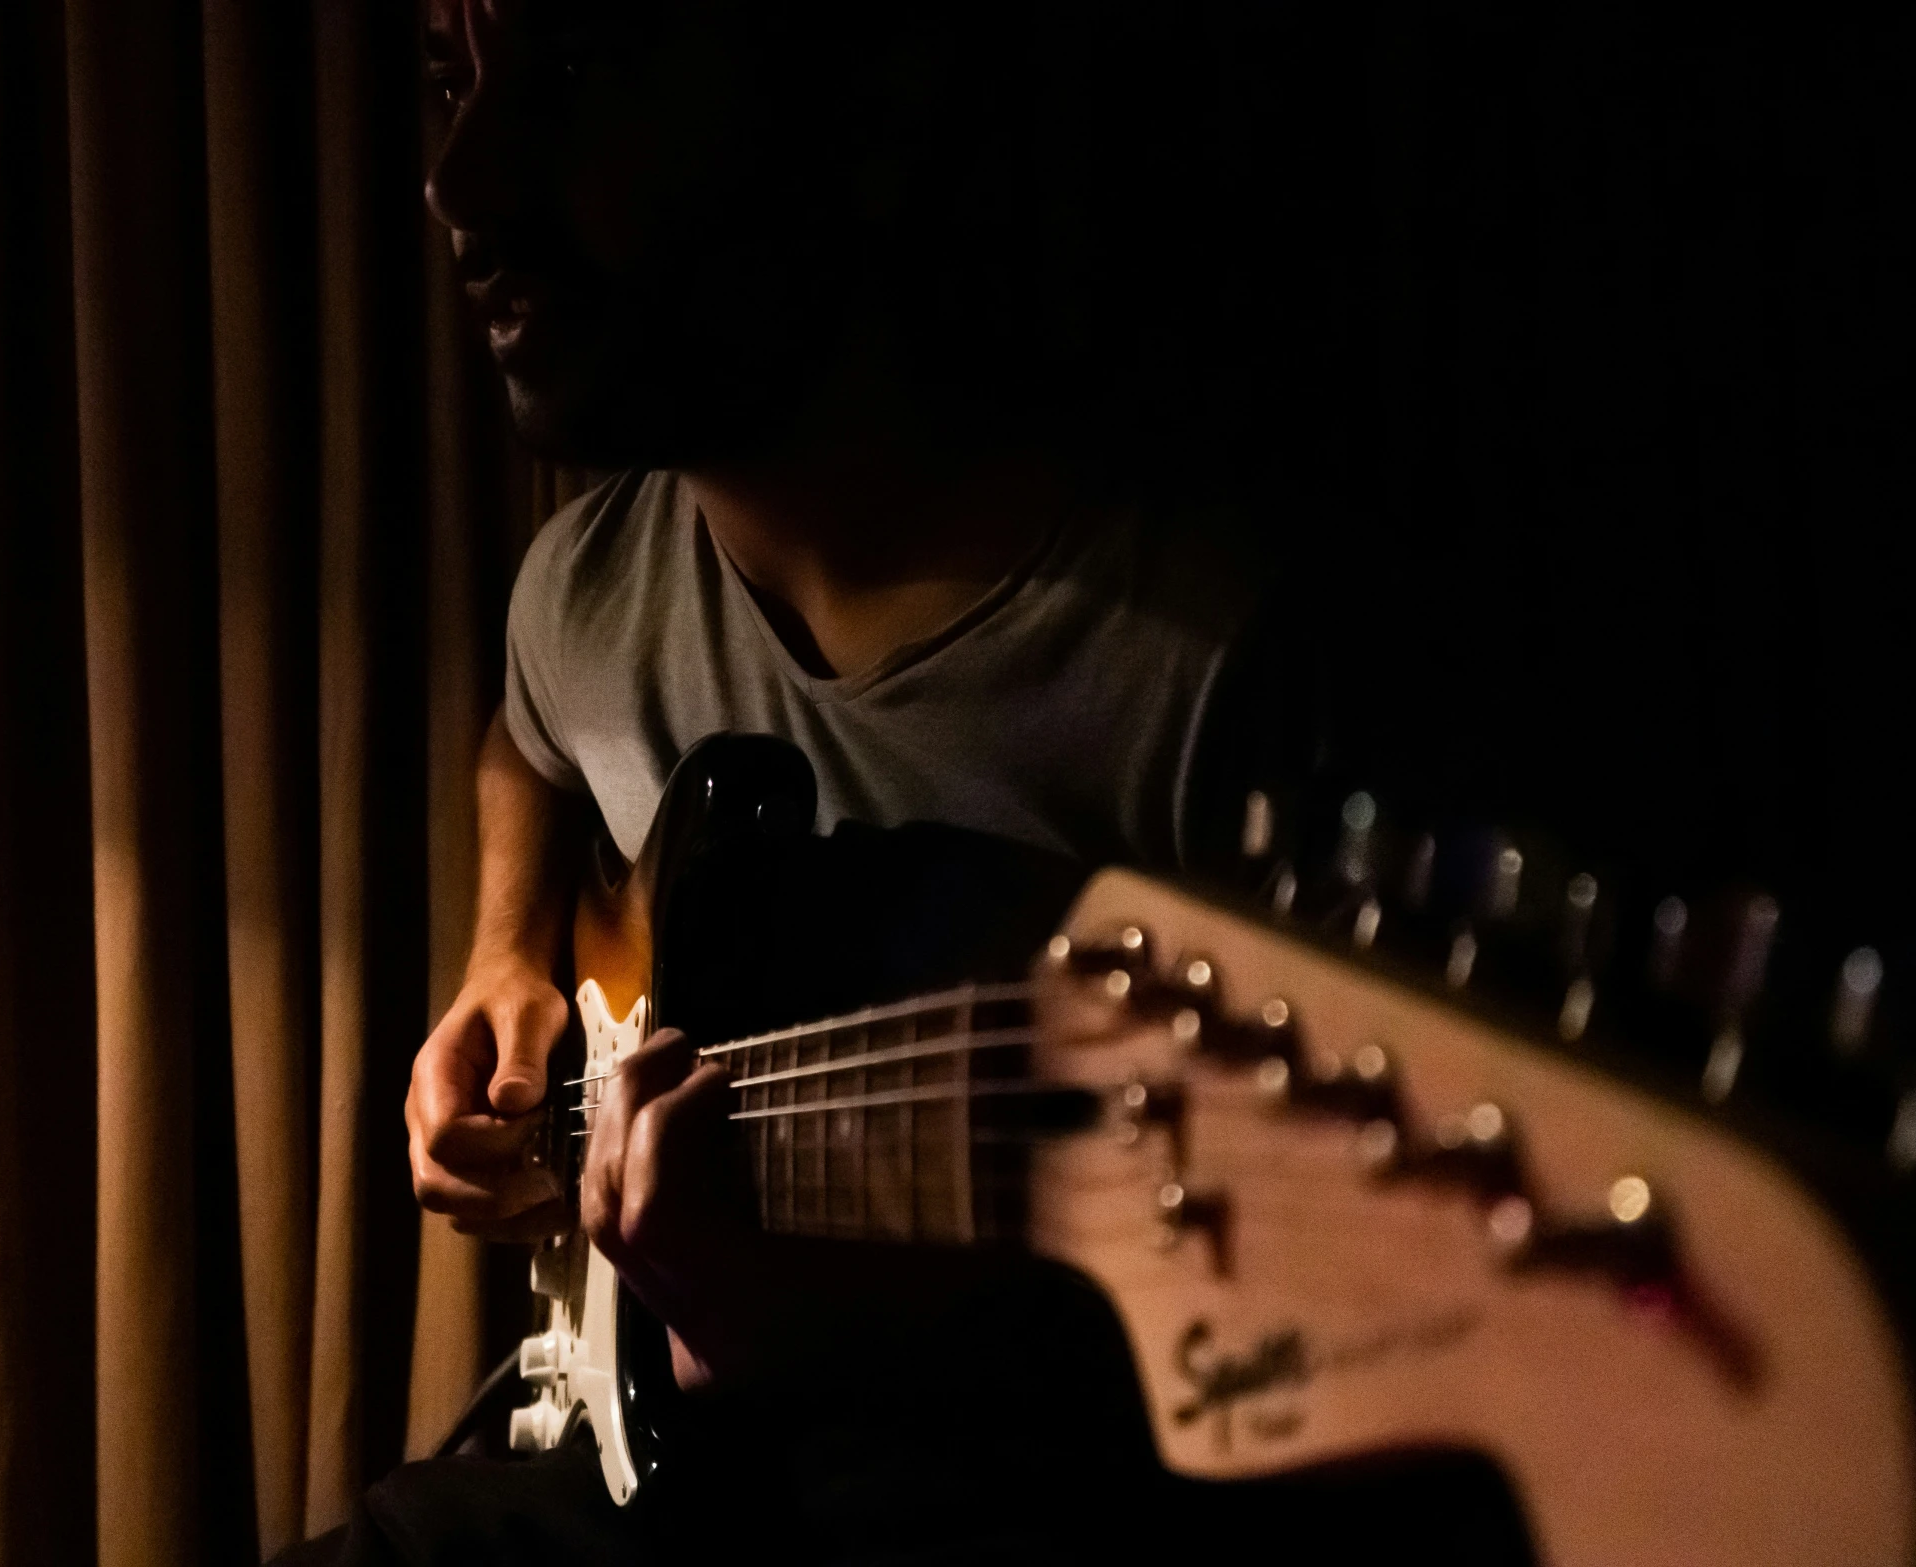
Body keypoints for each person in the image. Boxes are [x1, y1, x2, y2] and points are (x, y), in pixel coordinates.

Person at [292, 2, 1525, 1563]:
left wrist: (788, 1320)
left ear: (858, 109)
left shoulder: (1224, 671)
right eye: (447, 83)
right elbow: (525, 740)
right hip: (643, 1462)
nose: (459, 189)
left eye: (583, 69)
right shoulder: (586, 588)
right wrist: (504, 960)